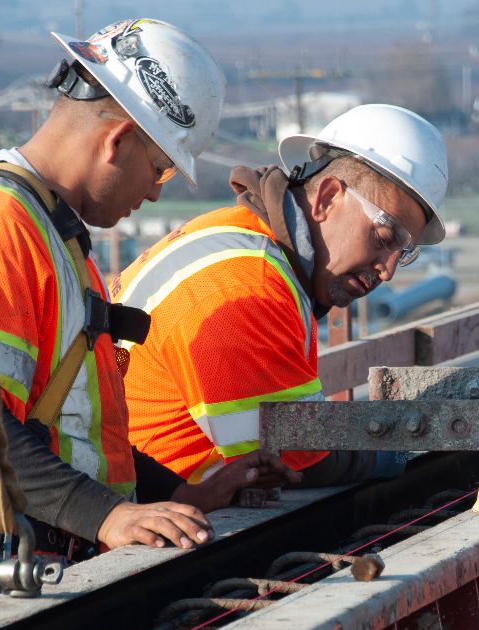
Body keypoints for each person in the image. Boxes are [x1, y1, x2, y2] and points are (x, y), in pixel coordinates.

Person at [0, 18, 298, 562]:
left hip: (55, 554)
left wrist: (180, 494)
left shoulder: (51, 229)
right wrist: (105, 516)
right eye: (159, 170)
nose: (155, 196)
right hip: (10, 573)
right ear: (118, 141)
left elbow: (71, 435)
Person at [111, 103, 448, 486]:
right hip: (154, 515)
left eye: (401, 255)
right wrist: (407, 453)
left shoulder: (244, 242)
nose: (386, 271)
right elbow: (297, 461)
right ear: (326, 199)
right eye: (383, 238)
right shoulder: (247, 286)